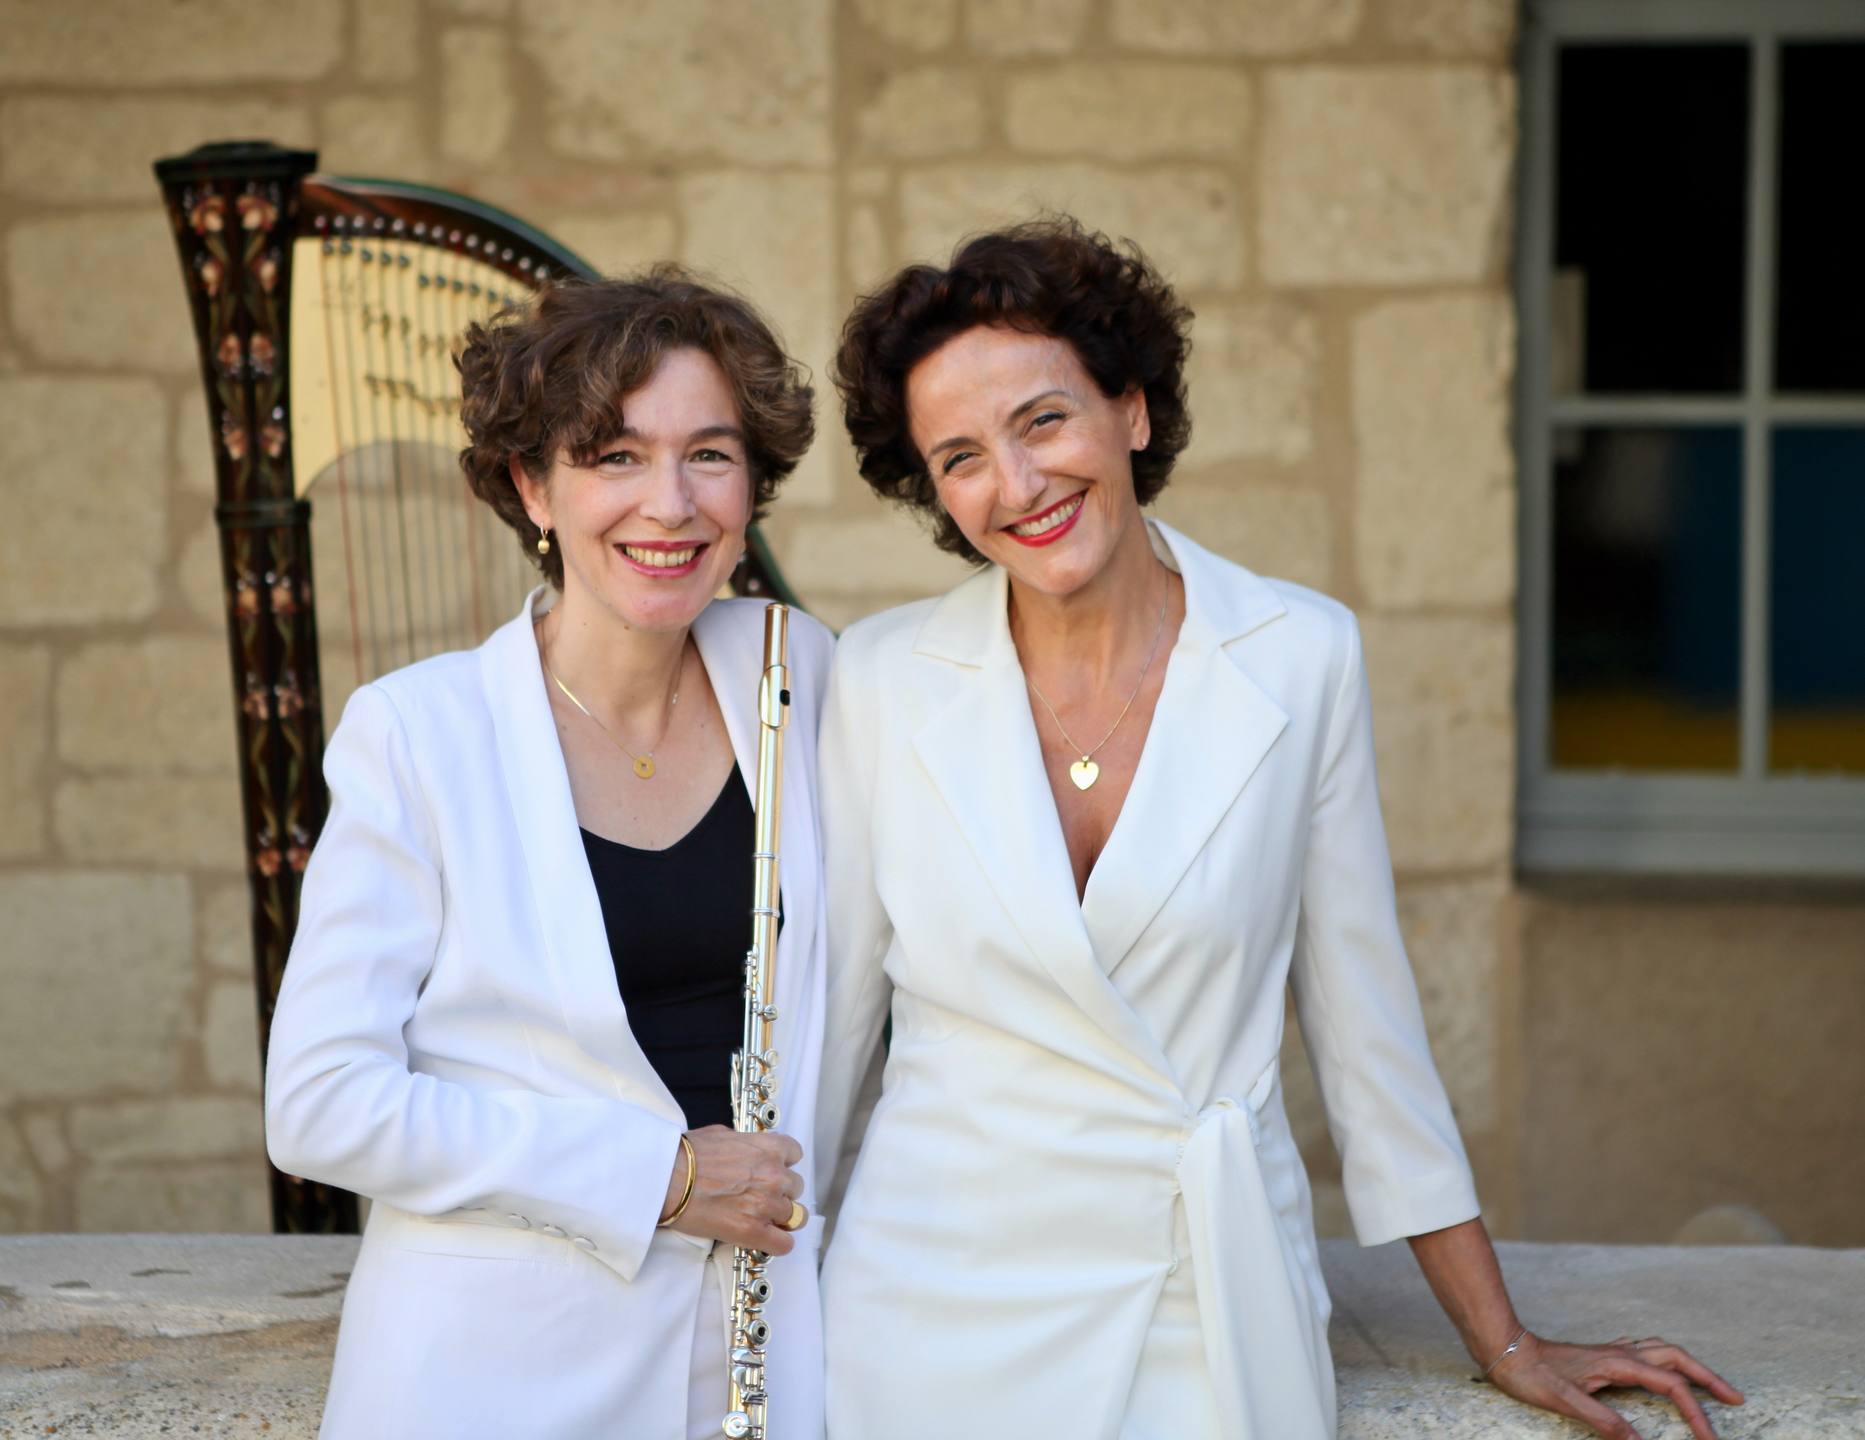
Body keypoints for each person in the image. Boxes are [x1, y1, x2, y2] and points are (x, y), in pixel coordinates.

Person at [813, 221, 1742, 1440]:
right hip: (927, 1302)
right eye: (962, 456)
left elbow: (1367, 1037)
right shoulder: (880, 677)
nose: (1018, 484)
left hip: (1204, 1291)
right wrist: (740, 1318)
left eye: (1044, 420)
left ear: (1131, 409)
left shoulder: (1302, 656)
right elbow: (827, 1039)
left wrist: (1505, 1340)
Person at [264, 270, 836, 1440]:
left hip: (761, 1358)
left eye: (710, 455)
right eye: (616, 457)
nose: (670, 504)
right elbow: (321, 1104)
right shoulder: (416, 731)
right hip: (493, 1375)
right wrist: (660, 1176)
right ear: (533, 486)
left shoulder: (799, 673)